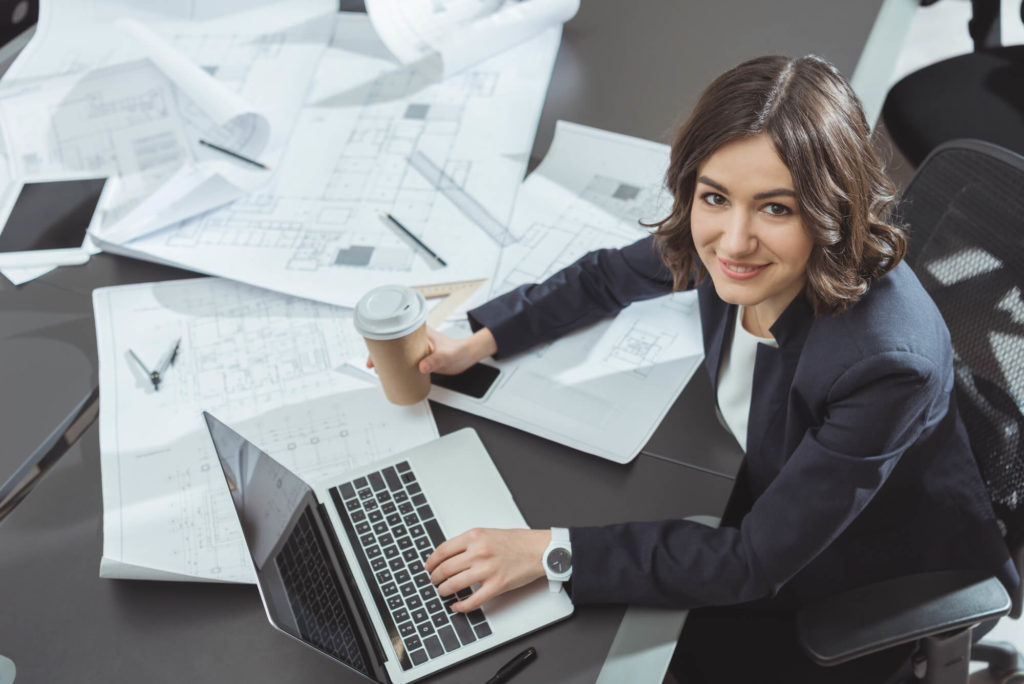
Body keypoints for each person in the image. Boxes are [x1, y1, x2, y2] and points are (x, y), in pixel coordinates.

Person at [409, 55, 1018, 682]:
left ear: (830, 209)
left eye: (776, 208)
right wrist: (477, 339)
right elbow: (610, 275)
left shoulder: (885, 364)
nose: (732, 241)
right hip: (770, 487)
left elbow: (750, 564)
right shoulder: (731, 242)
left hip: (858, 573)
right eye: (714, 197)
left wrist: (550, 552)